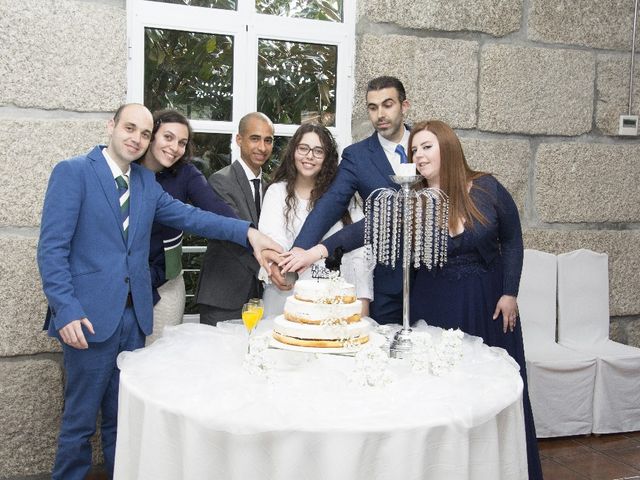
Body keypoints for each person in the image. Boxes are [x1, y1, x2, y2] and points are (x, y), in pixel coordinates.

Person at [37, 103, 281, 480]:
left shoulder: (146, 183)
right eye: (130, 128)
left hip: (135, 318)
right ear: (112, 126)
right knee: (79, 425)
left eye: (145, 133)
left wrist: (249, 233)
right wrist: (66, 310)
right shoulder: (73, 173)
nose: (137, 139)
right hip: (86, 320)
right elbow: (52, 251)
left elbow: (194, 216)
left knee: (126, 421)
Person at [407, 120, 543, 480]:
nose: (418, 155)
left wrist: (510, 292)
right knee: (442, 396)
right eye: (414, 150)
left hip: (488, 306)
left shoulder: (488, 188)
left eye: (426, 146)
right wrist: (318, 250)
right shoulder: (415, 200)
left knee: (494, 390)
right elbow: (368, 228)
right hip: (434, 305)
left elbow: (513, 241)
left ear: (447, 147)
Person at [282, 76, 411, 324]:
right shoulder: (357, 156)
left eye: (387, 105)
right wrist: (301, 247)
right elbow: (332, 202)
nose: (380, 114)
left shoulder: (426, 143)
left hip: (434, 273)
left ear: (404, 106)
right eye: (372, 108)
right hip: (388, 278)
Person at [138, 109, 237, 345]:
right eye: (168, 137)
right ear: (151, 135)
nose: (175, 147)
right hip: (126, 282)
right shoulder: (127, 170)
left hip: (166, 284)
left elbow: (216, 209)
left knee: (159, 356)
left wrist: (251, 235)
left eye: (182, 143)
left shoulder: (186, 173)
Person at [258, 123, 373, 318]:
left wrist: (363, 300)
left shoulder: (343, 198)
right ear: (293, 151)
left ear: (327, 159)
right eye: (303, 148)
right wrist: (279, 263)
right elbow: (273, 239)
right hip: (287, 297)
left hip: (333, 302)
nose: (309, 156)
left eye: (318, 151)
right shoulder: (277, 192)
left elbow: (361, 252)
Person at [195, 112, 273, 325]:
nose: (262, 147)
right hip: (222, 296)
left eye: (268, 140)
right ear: (239, 140)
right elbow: (234, 236)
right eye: (255, 138)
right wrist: (270, 271)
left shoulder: (270, 188)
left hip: (258, 298)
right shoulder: (221, 180)